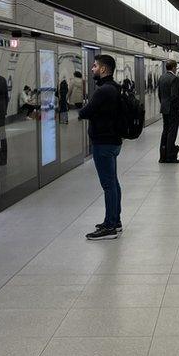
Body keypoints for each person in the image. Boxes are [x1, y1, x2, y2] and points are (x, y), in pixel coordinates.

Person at [79, 55, 123, 240]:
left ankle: (110, 226)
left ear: (103, 69)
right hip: (114, 141)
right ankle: (115, 220)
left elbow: (85, 112)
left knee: (108, 185)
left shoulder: (103, 90)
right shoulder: (115, 88)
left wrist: (84, 109)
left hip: (103, 142)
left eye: (95, 66)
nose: (92, 69)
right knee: (113, 182)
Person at [157, 59, 179, 164]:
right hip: (173, 110)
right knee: (172, 132)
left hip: (164, 108)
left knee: (165, 131)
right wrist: (177, 108)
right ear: (173, 67)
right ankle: (170, 156)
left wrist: (164, 104)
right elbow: (174, 96)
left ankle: (162, 156)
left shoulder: (161, 78)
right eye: (176, 67)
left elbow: (159, 94)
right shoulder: (174, 78)